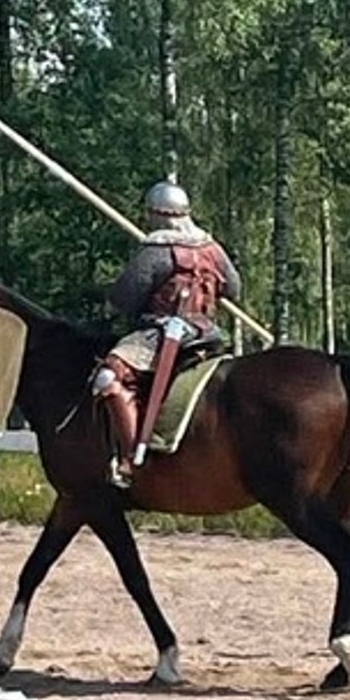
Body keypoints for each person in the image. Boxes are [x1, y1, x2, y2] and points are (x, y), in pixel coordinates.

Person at [92, 180, 241, 486]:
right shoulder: (211, 248)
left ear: (156, 214)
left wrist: (110, 305)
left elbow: (125, 297)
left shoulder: (157, 250)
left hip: (161, 334)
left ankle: (131, 458)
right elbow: (234, 288)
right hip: (208, 332)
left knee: (109, 375)